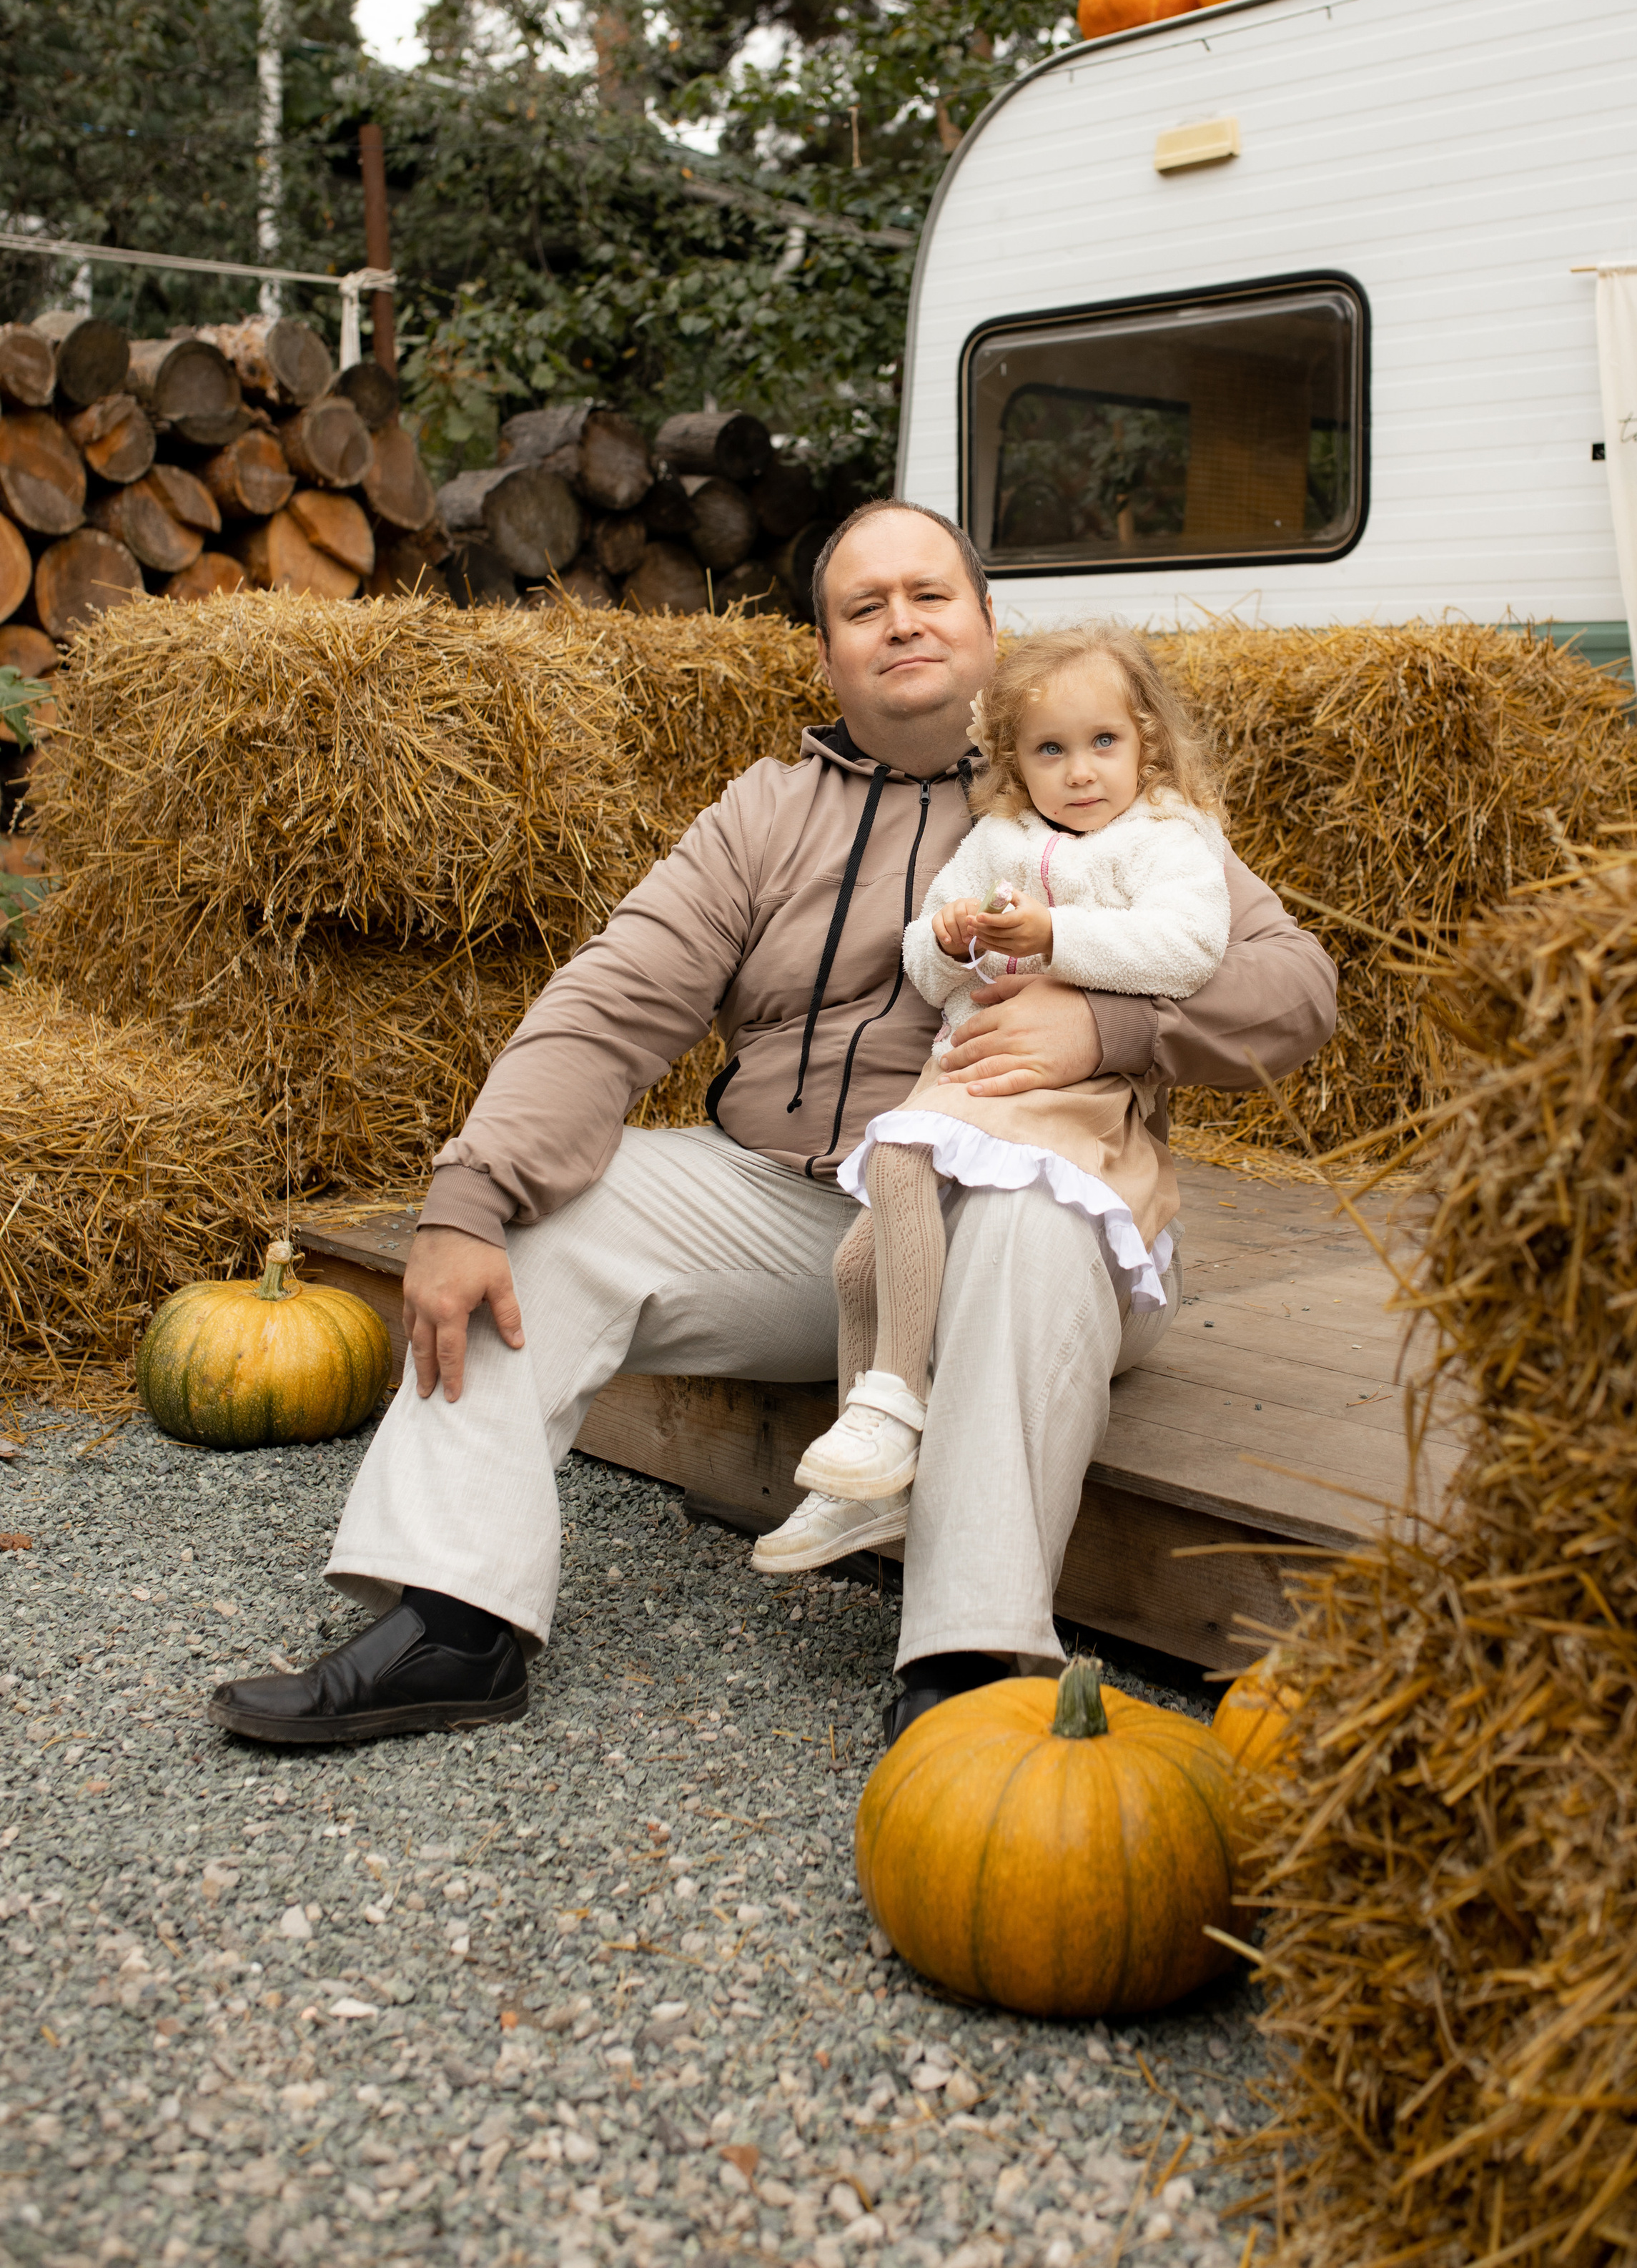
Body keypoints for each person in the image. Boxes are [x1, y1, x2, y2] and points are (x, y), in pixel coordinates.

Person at [207, 501, 1335, 1753]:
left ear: (986, 625)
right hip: (801, 1205)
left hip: (1040, 1207)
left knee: (1027, 1216)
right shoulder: (764, 812)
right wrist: (467, 1196)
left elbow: (1296, 992)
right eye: (865, 609)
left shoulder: (1087, 791)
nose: (901, 622)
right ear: (825, 656)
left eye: (929, 595)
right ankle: (453, 1620)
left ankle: (968, 1669)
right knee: (538, 1204)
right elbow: (616, 996)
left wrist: (1109, 1032)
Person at [763, 623, 1233, 1563]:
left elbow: (1189, 949)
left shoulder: (1167, 837)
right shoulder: (1001, 837)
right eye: (1050, 750)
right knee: (857, 1267)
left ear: (1146, 738)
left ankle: (895, 1397)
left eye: (1104, 742)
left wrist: (1053, 934)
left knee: (896, 1152)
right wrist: (944, 939)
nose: (1081, 771)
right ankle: (865, 1481)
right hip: (969, 1072)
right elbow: (924, 965)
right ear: (1015, 763)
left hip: (1068, 1086)